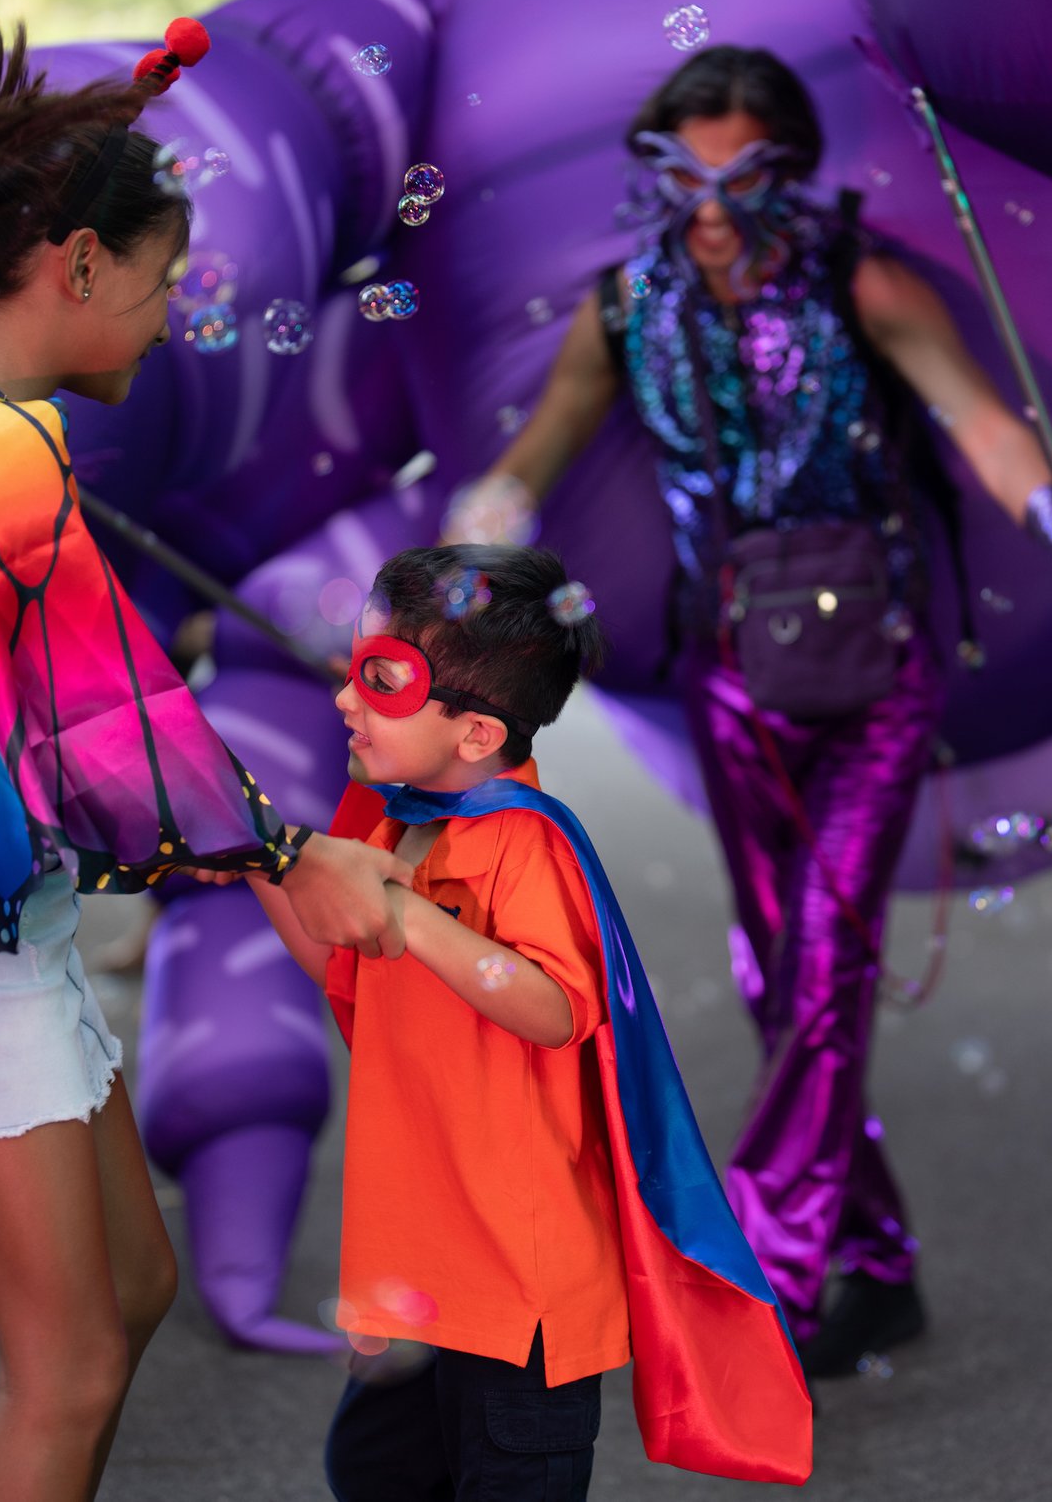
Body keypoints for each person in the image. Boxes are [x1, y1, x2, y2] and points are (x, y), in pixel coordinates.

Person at [0, 19, 411, 1502]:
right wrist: (287, 847)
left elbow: (82, 689)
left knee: (131, 1287)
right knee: (63, 1369)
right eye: (162, 278)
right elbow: (103, 715)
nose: (169, 311)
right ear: (77, 265)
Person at [446, 46, 1052, 1375]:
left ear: (794, 173)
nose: (712, 209)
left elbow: (988, 429)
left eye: (745, 176)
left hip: (878, 665)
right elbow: (536, 450)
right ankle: (877, 1264)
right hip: (730, 668)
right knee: (782, 976)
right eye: (683, 177)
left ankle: (750, 1272)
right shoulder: (625, 307)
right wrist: (482, 527)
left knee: (830, 954)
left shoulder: (855, 279)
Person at [252, 543, 812, 1497]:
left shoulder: (524, 842)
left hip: (519, 1297)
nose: (346, 698)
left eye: (380, 681)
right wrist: (260, 858)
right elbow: (347, 967)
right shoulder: (398, 822)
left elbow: (554, 1007)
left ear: (475, 732)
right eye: (354, 669)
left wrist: (411, 914)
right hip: (417, 1270)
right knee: (373, 1470)